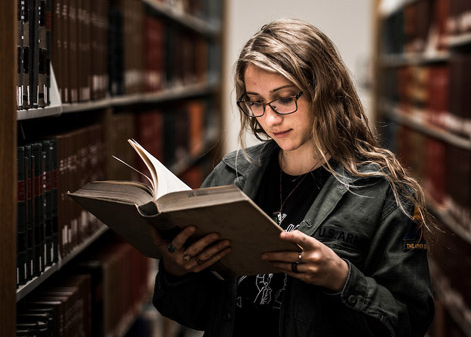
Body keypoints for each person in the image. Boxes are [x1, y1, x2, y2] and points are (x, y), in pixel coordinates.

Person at [149, 19, 434, 336]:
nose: (270, 118)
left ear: (324, 91)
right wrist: (177, 272)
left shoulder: (383, 192)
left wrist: (340, 278)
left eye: (285, 98)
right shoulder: (230, 175)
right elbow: (196, 313)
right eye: (256, 102)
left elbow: (410, 322)